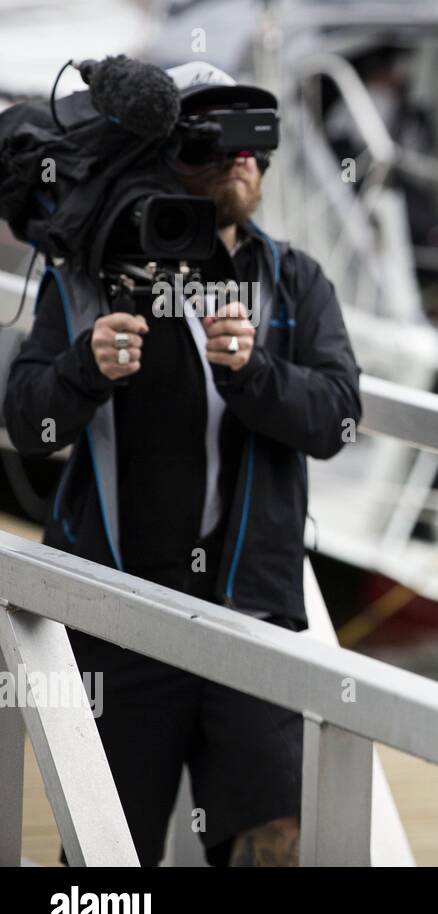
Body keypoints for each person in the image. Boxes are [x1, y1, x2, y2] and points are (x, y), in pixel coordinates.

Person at [2, 61, 363, 866]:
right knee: (104, 852)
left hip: (251, 611)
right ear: (163, 157)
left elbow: (336, 419)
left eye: (252, 143)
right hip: (118, 608)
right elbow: (29, 423)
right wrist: (85, 367)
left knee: (277, 833)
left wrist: (256, 376)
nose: (239, 158)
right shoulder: (89, 279)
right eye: (210, 140)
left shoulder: (292, 280)